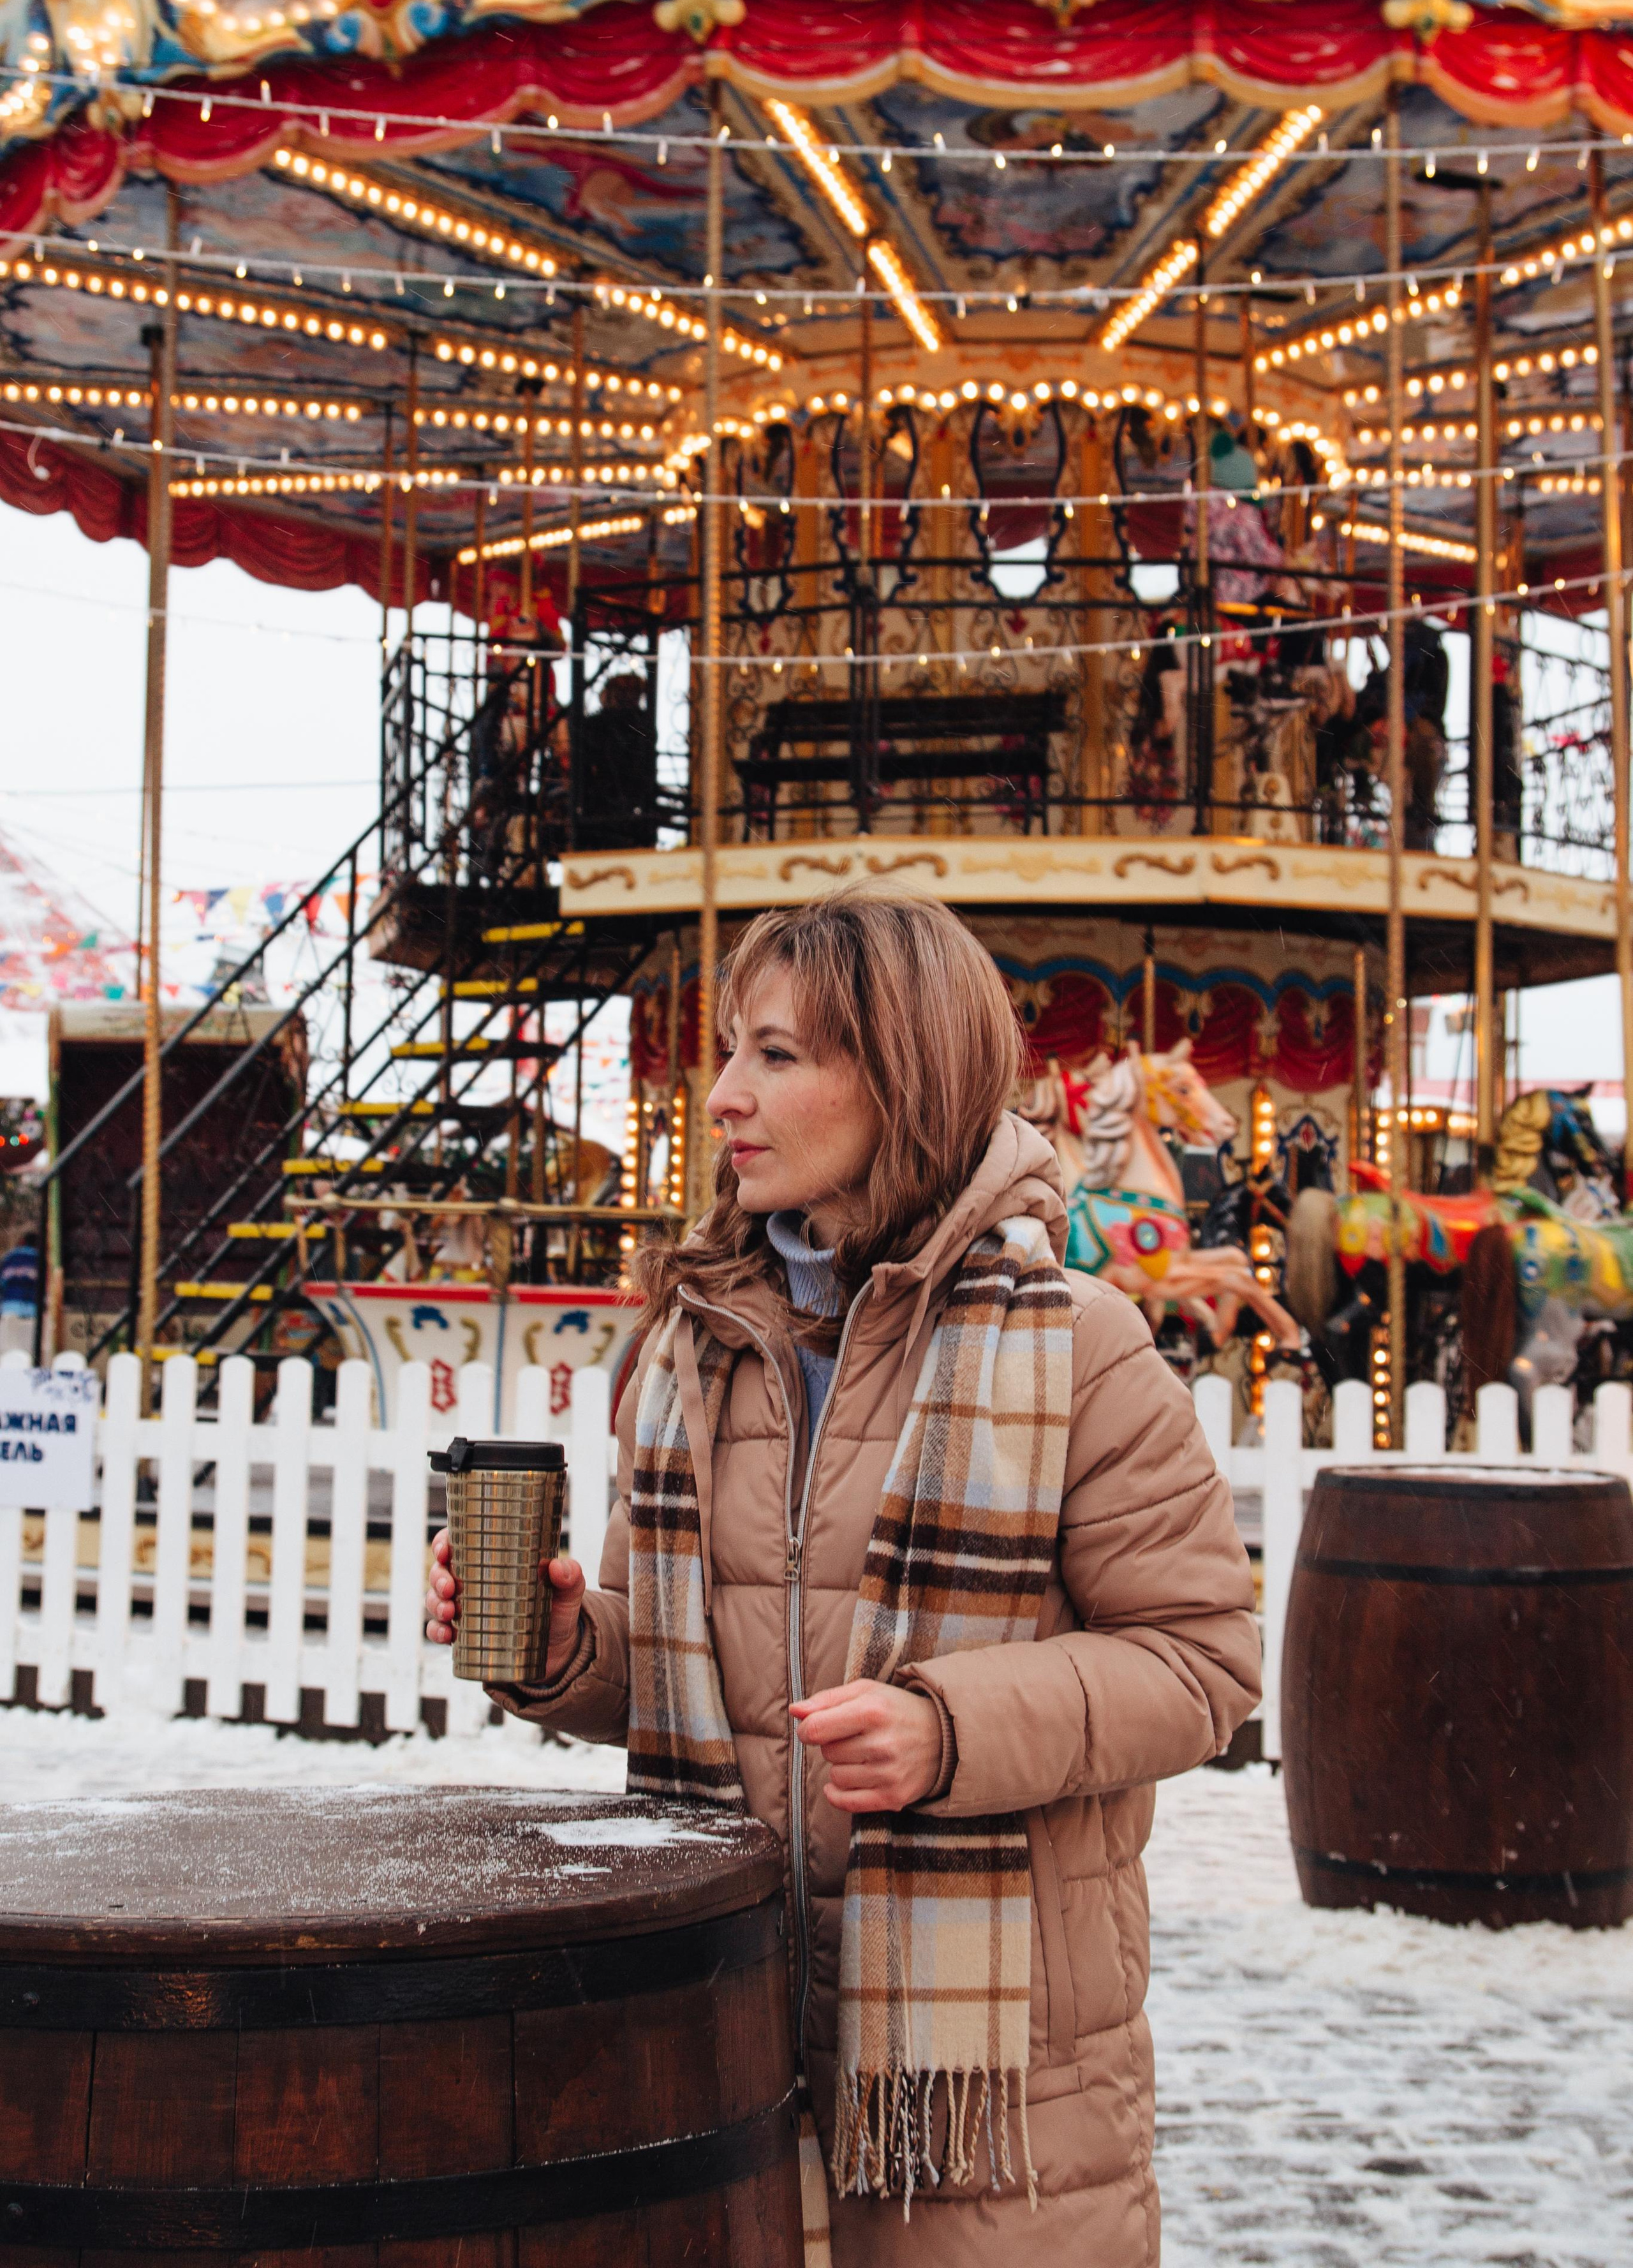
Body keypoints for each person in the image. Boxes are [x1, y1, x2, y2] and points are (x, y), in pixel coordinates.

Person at [425, 883, 1260, 2265]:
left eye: (775, 1055)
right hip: (722, 2038)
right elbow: (695, 1665)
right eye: (729, 1051)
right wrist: (573, 1646)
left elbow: (1201, 1663)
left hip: (993, 2089)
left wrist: (949, 1731)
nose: (720, 1099)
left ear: (901, 1076)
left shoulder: (1077, 1344)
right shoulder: (699, 1345)